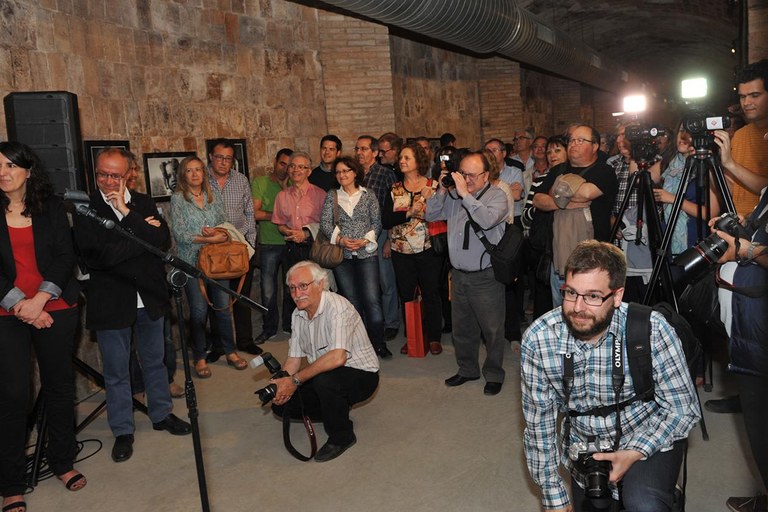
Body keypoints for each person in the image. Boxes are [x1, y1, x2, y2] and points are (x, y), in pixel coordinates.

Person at [521, 240, 700, 512]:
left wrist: (635, 451)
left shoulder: (650, 329)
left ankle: (662, 496)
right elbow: (539, 425)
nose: (578, 307)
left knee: (644, 504)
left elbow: (682, 410)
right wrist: (552, 492)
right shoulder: (539, 339)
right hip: (583, 448)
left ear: (617, 296)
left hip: (647, 437)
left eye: (593, 296)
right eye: (571, 293)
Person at [72, 148, 191, 464]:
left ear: (129, 174)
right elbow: (96, 256)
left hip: (148, 295)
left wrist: (127, 213)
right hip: (111, 301)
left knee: (156, 360)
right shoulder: (86, 207)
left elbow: (162, 241)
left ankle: (161, 413)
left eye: (115, 175)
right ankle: (123, 429)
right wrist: (141, 234)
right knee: (116, 370)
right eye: (102, 174)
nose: (108, 180)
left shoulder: (141, 202)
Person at [0, 142, 85, 512]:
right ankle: (10, 483)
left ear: (28, 170)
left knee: (59, 387)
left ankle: (63, 461)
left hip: (54, 305)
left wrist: (38, 301)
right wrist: (21, 304)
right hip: (7, 311)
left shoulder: (51, 207)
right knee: (13, 394)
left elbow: (66, 256)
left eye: (9, 165)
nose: (2, 172)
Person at [709, 131, 768, 511]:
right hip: (752, 331)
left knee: (762, 429)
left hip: (762, 334)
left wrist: (745, 249)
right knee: (759, 428)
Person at [269, 261, 380, 462]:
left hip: (361, 375)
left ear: (320, 284)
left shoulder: (338, 307)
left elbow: (338, 357)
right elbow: (294, 358)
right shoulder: (297, 314)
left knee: (325, 382)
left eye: (303, 286)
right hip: (325, 374)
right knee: (280, 404)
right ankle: (336, 408)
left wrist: (294, 381)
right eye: (292, 288)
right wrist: (283, 382)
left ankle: (342, 436)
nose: (297, 293)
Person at [425, 150, 509, 395]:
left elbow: (486, 220)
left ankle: (493, 373)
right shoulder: (453, 196)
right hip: (459, 274)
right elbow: (430, 214)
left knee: (492, 329)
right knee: (462, 328)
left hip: (486, 276)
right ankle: (467, 369)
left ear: (486, 175)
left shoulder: (497, 196)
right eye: (462, 174)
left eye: (472, 175)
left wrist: (465, 195)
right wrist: (442, 190)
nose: (466, 179)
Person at [170, 155, 249, 377]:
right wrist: (207, 239)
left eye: (198, 170)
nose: (195, 174)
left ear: (204, 173)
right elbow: (180, 234)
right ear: (183, 175)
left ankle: (230, 351)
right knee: (198, 311)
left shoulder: (212, 197)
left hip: (216, 262)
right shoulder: (178, 199)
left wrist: (218, 234)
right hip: (191, 263)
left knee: (224, 308)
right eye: (189, 170)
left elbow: (225, 226)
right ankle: (200, 357)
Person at [533, 125, 619, 307]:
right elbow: (538, 200)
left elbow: (586, 194)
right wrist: (568, 201)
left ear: (595, 146)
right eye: (571, 140)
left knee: (590, 313)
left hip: (595, 261)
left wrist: (555, 194)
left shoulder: (604, 171)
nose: (573, 144)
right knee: (562, 311)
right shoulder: (558, 170)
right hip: (559, 261)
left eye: (581, 140)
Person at [382, 143, 443, 356]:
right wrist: (408, 212)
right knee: (406, 295)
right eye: (401, 157)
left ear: (418, 160)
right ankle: (413, 337)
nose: (402, 161)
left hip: (428, 248)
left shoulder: (433, 186)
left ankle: (434, 337)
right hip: (401, 250)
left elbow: (443, 214)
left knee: (431, 292)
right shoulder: (395, 188)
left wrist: (425, 212)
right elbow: (386, 219)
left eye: (407, 157)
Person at [320, 156, 385, 356]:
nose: (342, 175)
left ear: (355, 172)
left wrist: (366, 240)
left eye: (346, 171)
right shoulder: (332, 196)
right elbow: (325, 224)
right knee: (351, 302)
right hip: (342, 257)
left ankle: (379, 344)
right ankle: (359, 345)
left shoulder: (368, 195)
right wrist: (340, 240)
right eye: (338, 172)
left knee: (372, 301)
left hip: (366, 254)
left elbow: (377, 222)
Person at [206, 139, 260, 355]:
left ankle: (245, 341)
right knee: (216, 300)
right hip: (214, 250)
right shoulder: (201, 180)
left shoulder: (241, 180)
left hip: (239, 247)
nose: (223, 162)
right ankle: (219, 345)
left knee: (242, 297)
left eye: (228, 158)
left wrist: (248, 242)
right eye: (219, 157)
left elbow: (249, 212)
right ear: (211, 157)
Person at [271, 151, 326, 325]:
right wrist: (287, 231)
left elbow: (326, 225)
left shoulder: (320, 194)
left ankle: (320, 325)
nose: (296, 170)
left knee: (316, 289)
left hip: (314, 249)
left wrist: (306, 234)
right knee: (293, 290)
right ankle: (296, 328)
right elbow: (279, 223)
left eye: (301, 167)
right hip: (291, 249)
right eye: (292, 166)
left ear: (309, 171)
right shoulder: (282, 196)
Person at [355, 135, 400, 343]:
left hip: (381, 234)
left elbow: (393, 208)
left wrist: (390, 239)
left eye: (364, 149)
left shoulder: (385, 174)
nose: (359, 153)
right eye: (357, 149)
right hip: (358, 236)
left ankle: (391, 322)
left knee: (385, 281)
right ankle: (372, 322)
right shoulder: (353, 174)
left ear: (374, 152)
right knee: (366, 282)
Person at [252, 148, 292, 343]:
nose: (285, 169)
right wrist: (277, 215)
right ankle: (269, 328)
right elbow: (255, 213)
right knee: (268, 289)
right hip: (269, 243)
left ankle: (290, 325)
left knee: (292, 288)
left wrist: (286, 189)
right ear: (275, 162)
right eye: (282, 163)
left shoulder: (294, 184)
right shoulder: (260, 182)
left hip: (291, 242)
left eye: (289, 165)